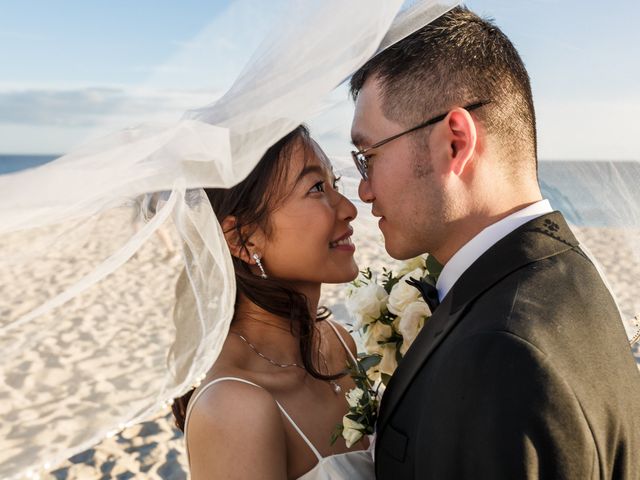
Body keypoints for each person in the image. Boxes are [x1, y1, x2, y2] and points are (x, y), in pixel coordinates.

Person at [349, 6, 640, 479]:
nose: (363, 189)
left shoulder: (502, 357)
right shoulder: (571, 275)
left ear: (455, 143)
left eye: (369, 156)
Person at [172, 125, 375, 479]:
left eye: (334, 185)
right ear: (244, 239)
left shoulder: (340, 343)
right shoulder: (233, 408)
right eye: (315, 188)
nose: (347, 209)